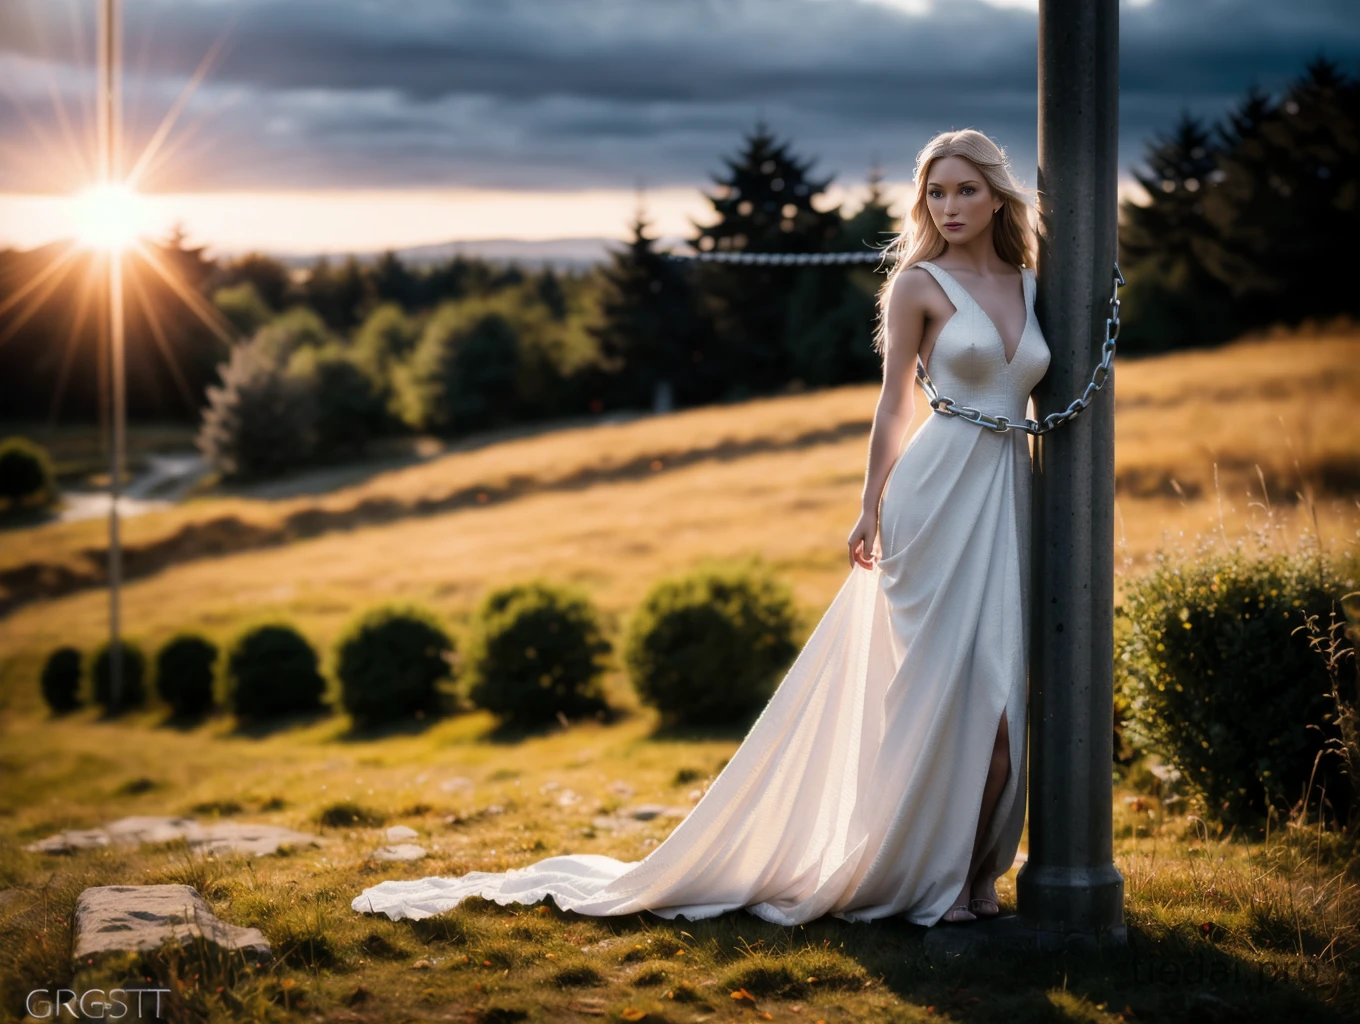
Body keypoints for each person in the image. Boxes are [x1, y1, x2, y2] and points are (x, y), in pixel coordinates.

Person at [352, 127, 1049, 929]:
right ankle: (938, 881)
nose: (950, 206)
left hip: (1006, 500)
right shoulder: (919, 285)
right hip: (932, 499)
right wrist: (868, 503)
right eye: (936, 191)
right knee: (932, 701)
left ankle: (974, 873)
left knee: (1001, 703)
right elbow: (895, 402)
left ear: (997, 194)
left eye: (965, 189)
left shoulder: (1034, 286)